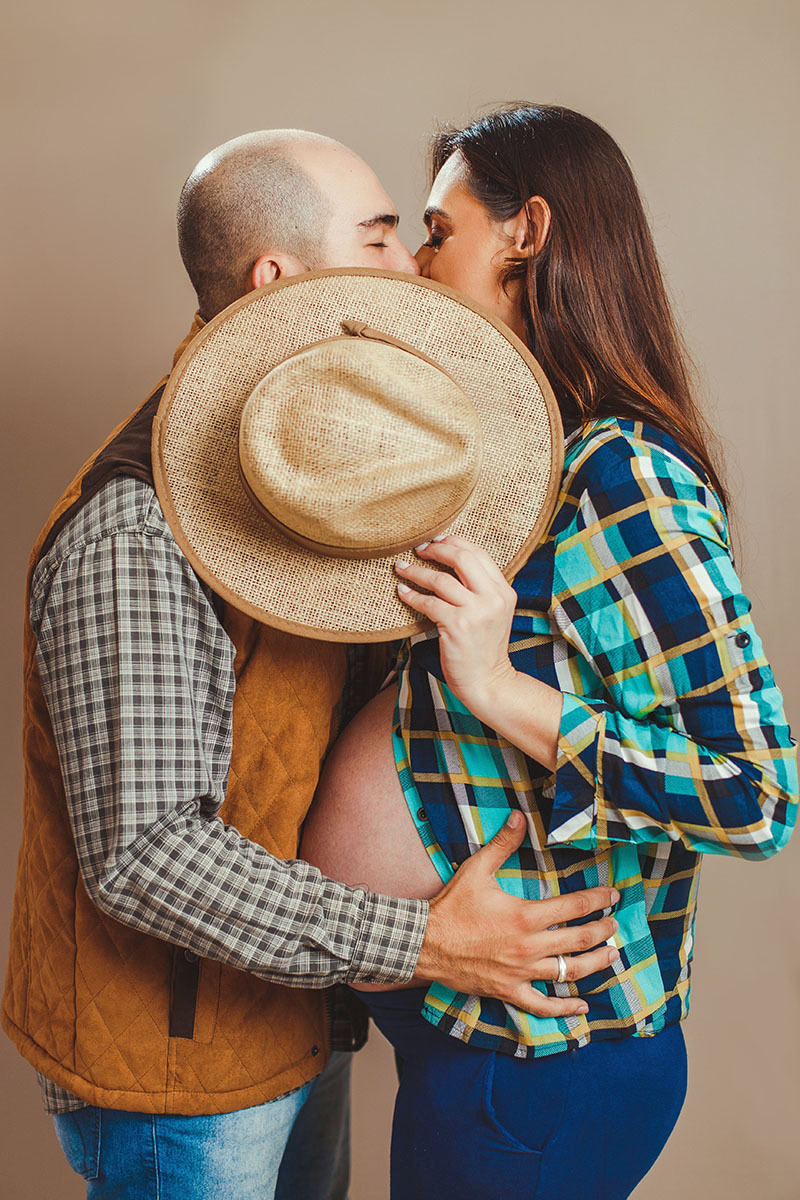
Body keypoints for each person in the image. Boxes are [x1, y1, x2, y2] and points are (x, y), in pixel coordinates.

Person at [1, 128, 621, 1200]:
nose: (409, 265)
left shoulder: (308, 481)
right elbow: (148, 854)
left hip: (288, 1017)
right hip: (181, 1079)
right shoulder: (136, 535)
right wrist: (423, 942)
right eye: (377, 238)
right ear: (275, 279)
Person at [300, 105, 798, 1199]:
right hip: (473, 1038)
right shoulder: (532, 457)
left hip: (540, 1070)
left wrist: (496, 685)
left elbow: (754, 795)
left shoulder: (622, 474)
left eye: (438, 231)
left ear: (524, 233)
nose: (417, 262)